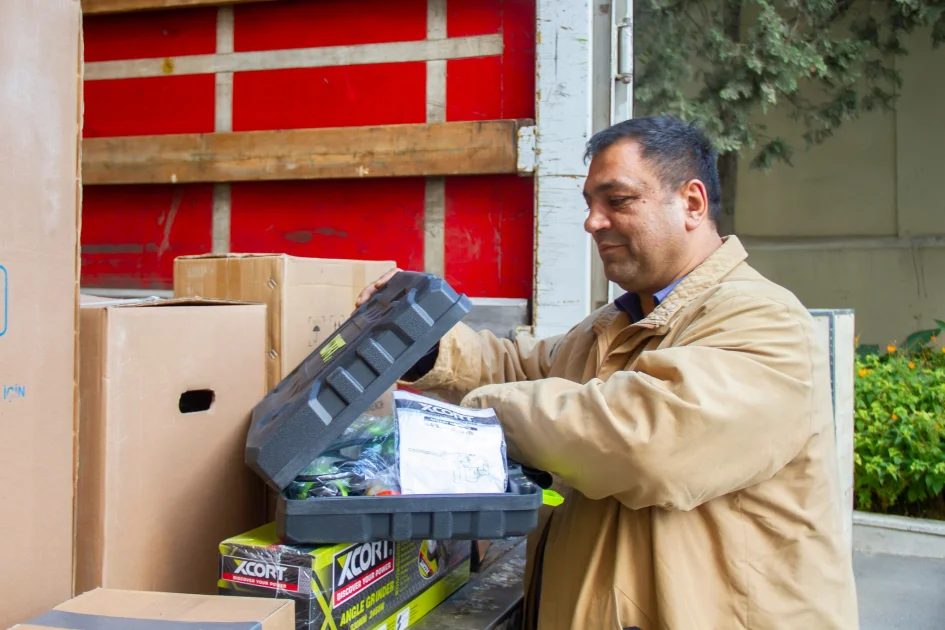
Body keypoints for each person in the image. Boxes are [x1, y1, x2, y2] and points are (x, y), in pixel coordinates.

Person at [356, 115, 859, 629]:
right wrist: (422, 345)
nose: (592, 222)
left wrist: (473, 420)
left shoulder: (764, 320)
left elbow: (645, 442)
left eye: (616, 201)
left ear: (691, 203)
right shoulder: (616, 321)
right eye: (590, 205)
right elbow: (523, 366)